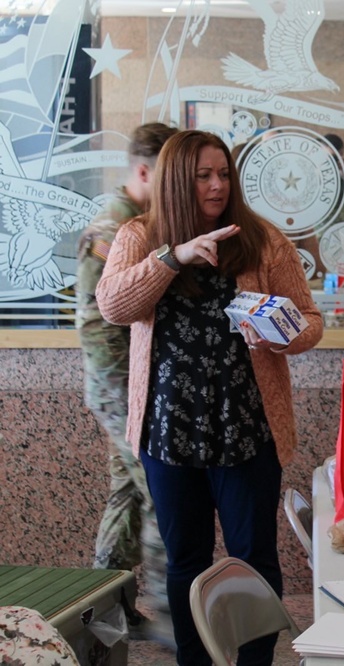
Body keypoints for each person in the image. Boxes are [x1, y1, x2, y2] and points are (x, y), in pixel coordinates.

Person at [95, 130, 322, 665]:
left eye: (224, 173)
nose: (218, 185)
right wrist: (172, 258)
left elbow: (310, 323)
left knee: (255, 558)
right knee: (185, 561)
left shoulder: (261, 239)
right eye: (204, 176)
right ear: (177, 180)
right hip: (168, 429)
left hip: (247, 425)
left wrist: (281, 331)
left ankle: (253, 662)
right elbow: (113, 304)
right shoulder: (139, 235)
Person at [75, 121, 178, 647]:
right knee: (160, 492)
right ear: (143, 171)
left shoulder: (141, 222)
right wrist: (126, 393)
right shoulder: (113, 228)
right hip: (120, 388)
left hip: (131, 387)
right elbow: (95, 323)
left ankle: (105, 611)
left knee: (127, 495)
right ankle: (166, 616)